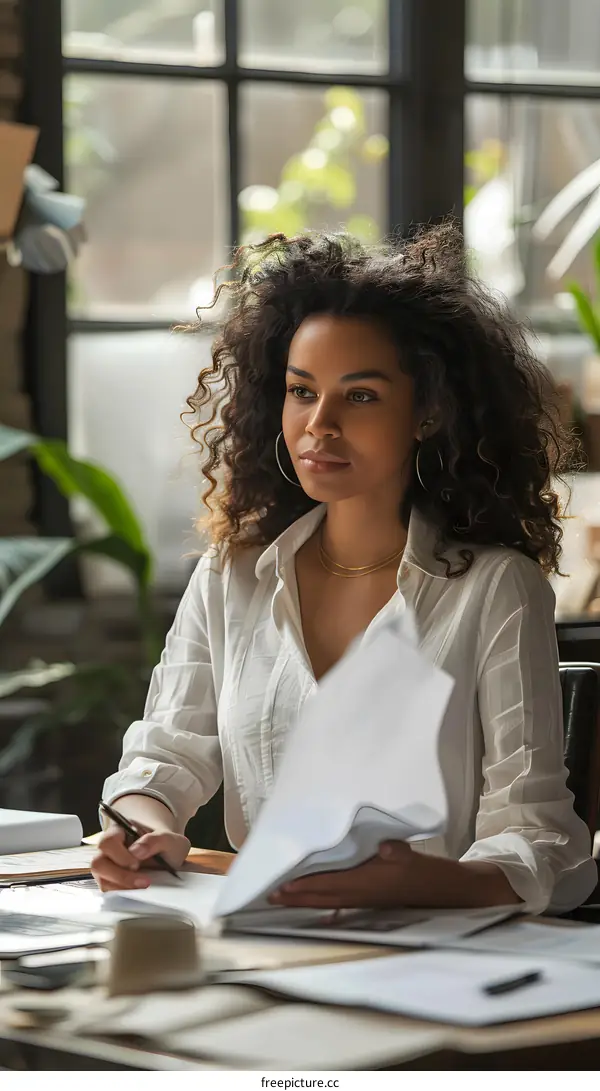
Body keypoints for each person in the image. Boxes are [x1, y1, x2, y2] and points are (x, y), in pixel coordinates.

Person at [92, 222, 597, 915]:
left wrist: (423, 882)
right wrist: (142, 830)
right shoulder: (232, 575)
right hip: (268, 940)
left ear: (426, 412)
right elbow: (166, 754)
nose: (318, 424)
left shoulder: (494, 588)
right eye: (302, 391)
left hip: (439, 954)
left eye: (359, 396)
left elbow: (539, 835)